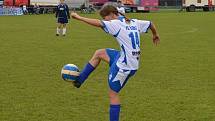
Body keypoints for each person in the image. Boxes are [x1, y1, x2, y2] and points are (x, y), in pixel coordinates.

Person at [70, 3, 160, 121]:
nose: (105, 21)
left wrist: (79, 17)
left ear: (112, 14)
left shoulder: (116, 24)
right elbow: (150, 24)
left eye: (105, 17)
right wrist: (155, 34)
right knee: (99, 53)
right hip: (129, 60)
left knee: (113, 94)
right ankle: (79, 81)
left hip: (125, 66)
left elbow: (98, 23)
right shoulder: (132, 21)